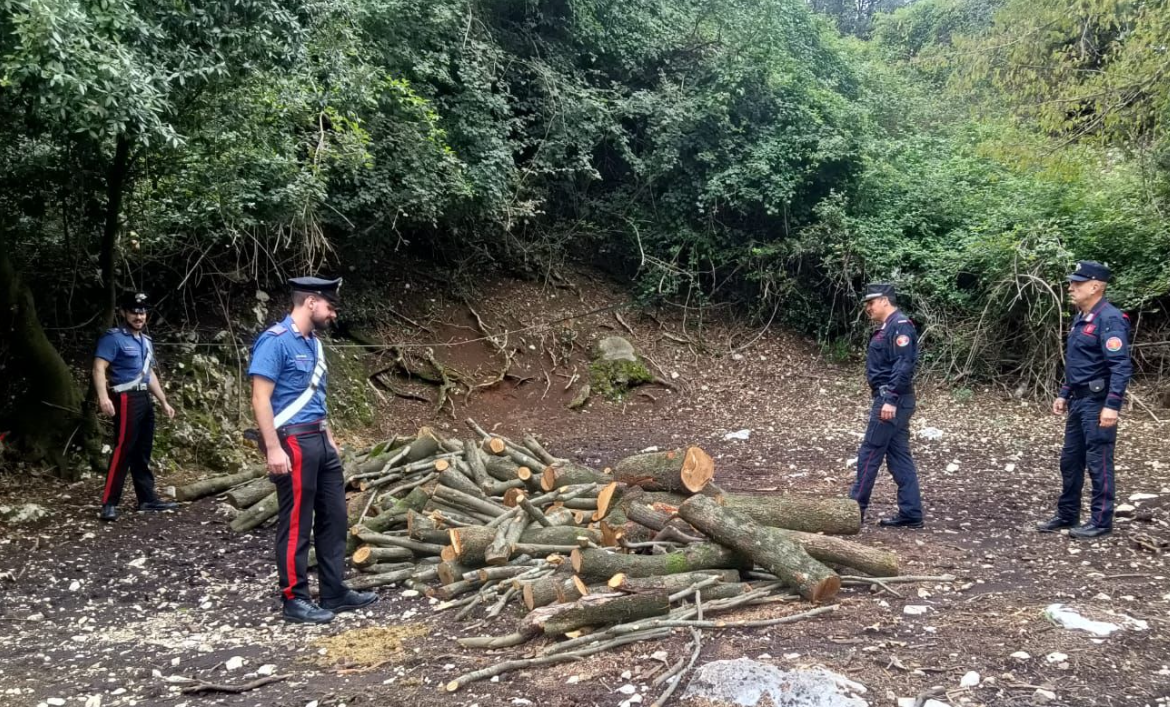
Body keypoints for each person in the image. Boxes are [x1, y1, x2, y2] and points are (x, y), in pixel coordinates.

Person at [248, 276, 376, 624]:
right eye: (330, 307)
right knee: (296, 522)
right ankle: (294, 598)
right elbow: (260, 398)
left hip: (319, 438)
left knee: (334, 517)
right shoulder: (275, 342)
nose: (333, 314)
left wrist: (330, 436)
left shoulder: (314, 344)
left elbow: (316, 395)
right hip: (291, 441)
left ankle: (334, 591)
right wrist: (273, 448)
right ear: (311, 303)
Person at [1037, 261, 1132, 539]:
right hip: (1078, 401)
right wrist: (1064, 392)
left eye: (1077, 284)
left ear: (1095, 286)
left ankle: (1101, 521)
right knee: (1070, 460)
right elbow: (1080, 363)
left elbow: (1120, 366)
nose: (1071, 288)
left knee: (1098, 460)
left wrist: (1112, 405)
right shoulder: (1082, 318)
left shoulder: (1110, 319)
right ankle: (1067, 514)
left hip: (1098, 401)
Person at [93, 292, 178, 522]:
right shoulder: (114, 338)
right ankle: (109, 502)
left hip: (144, 399)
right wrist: (103, 397)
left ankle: (147, 499)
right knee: (123, 449)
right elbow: (99, 367)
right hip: (125, 398)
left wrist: (163, 401)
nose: (139, 316)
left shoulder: (145, 341)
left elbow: (149, 374)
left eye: (142, 312)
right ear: (124, 313)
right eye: (133, 311)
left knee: (143, 450)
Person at [849, 282, 925, 528]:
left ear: (884, 300)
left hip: (892, 400)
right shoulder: (888, 327)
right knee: (899, 456)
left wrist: (890, 398)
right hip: (894, 399)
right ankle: (911, 513)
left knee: (869, 453)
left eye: (870, 303)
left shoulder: (900, 326)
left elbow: (903, 365)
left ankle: (853, 511)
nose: (867, 308)